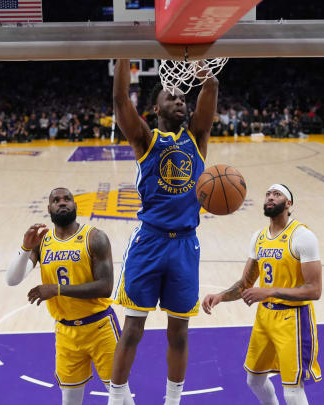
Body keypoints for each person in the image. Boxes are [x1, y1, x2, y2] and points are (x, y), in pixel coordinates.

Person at [108, 59, 218, 405]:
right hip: (150, 242)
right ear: (155, 109)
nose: (180, 100)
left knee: (179, 332)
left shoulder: (197, 139)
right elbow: (120, 102)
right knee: (133, 329)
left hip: (185, 245)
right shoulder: (145, 139)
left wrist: (202, 69)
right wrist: (124, 54)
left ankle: (173, 401)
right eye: (171, 97)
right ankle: (117, 395)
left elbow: (211, 88)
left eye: (182, 97)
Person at [5, 187, 129, 405]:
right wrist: (25, 248)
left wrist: (56, 289)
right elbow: (12, 279)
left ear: (75, 205)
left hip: (100, 329)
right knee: (70, 401)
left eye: (67, 199)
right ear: (49, 208)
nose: (62, 203)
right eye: (56, 200)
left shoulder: (95, 237)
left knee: (121, 398)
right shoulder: (42, 242)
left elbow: (105, 287)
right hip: (66, 332)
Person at [202, 184, 322, 405]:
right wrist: (220, 296)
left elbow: (314, 290)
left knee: (293, 391)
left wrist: (269, 291)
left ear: (289, 204)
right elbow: (245, 284)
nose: (270, 197)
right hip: (265, 318)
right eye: (267, 194)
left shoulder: (303, 236)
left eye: (277, 194)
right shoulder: (259, 237)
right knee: (254, 380)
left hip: (293, 319)